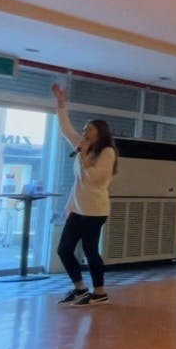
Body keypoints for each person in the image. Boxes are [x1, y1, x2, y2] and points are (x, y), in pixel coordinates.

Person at [51, 83, 118, 307]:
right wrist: (61, 104)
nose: (84, 132)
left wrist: (84, 156)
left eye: (89, 129)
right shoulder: (82, 145)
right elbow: (66, 129)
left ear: (100, 133)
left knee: (90, 250)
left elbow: (95, 178)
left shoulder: (107, 152)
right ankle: (80, 288)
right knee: (64, 250)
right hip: (77, 207)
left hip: (95, 210)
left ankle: (100, 292)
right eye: (84, 128)